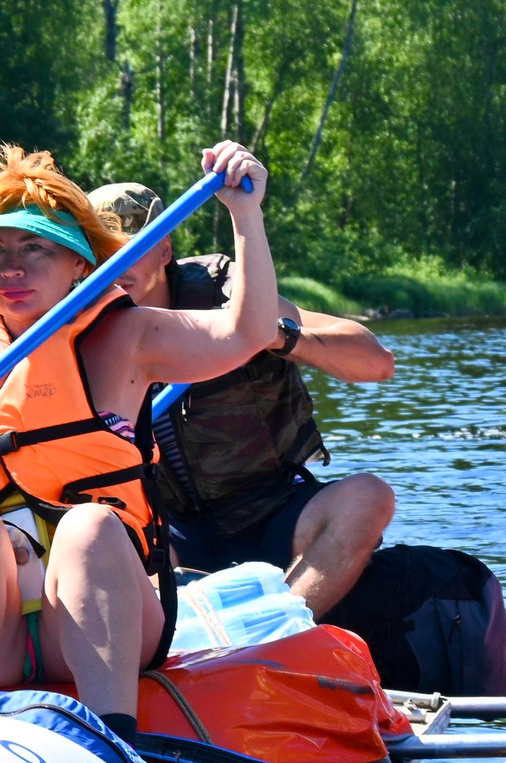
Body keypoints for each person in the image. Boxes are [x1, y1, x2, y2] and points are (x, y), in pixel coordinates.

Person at [0, 141, 277, 746]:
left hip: (94, 616)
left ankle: (116, 750)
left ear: (80, 262)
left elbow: (249, 332)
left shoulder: (126, 339)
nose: (10, 268)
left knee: (90, 527)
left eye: (34, 248)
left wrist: (245, 215)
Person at [96, 181, 399, 617]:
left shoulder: (230, 292)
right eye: (102, 253)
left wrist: (270, 334)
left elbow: (377, 364)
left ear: (164, 250)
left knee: (368, 497)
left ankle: (277, 628)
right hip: (171, 530)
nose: (116, 266)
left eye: (131, 249)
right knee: (93, 530)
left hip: (270, 509)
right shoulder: (82, 324)